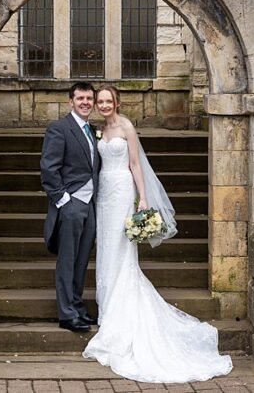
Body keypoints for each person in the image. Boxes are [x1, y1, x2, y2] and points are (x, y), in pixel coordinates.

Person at [82, 85, 234, 382]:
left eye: (107, 100)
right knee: (106, 251)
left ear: (116, 102)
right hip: (104, 195)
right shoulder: (99, 129)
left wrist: (142, 198)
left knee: (121, 252)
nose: (103, 105)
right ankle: (108, 310)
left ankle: (119, 315)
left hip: (124, 190)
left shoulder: (126, 126)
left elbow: (136, 164)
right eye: (99, 101)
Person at [40, 82, 99, 332]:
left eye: (89, 98)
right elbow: (48, 168)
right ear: (70, 101)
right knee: (67, 260)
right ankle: (66, 313)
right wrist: (64, 202)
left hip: (91, 205)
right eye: (80, 98)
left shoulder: (92, 130)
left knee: (82, 259)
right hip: (72, 203)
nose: (85, 102)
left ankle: (76, 305)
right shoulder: (59, 129)